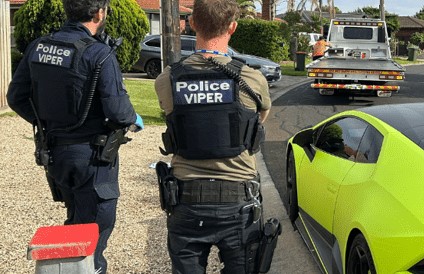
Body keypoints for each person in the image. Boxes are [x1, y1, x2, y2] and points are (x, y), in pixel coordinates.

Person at [6, 0, 143, 273]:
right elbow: (119, 112)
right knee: (93, 236)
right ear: (99, 13)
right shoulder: (99, 54)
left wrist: (47, 123)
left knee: (76, 222)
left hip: (56, 155)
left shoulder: (39, 47)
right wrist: (132, 120)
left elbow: (15, 97)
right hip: (92, 157)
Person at [153, 0, 272, 272]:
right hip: (238, 201)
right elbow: (258, 122)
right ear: (233, 27)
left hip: (187, 200)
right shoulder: (253, 79)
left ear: (192, 23)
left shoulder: (167, 80)